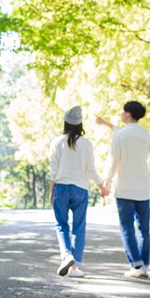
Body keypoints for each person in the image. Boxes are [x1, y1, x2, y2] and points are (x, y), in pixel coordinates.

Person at [49, 106, 107, 278]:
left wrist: (52, 190)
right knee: (79, 227)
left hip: (61, 187)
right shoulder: (87, 144)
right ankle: (75, 267)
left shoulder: (57, 142)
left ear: (65, 122)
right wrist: (100, 185)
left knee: (61, 225)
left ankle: (66, 255)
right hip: (80, 189)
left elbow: (53, 169)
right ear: (80, 123)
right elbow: (91, 169)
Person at [96, 101, 150, 279]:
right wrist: (106, 124)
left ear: (127, 114)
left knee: (127, 228)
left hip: (125, 188)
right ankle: (144, 266)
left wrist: (106, 182)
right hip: (143, 187)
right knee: (144, 230)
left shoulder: (120, 136)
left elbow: (113, 162)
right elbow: (123, 131)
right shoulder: (145, 134)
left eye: (122, 112)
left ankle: (136, 266)